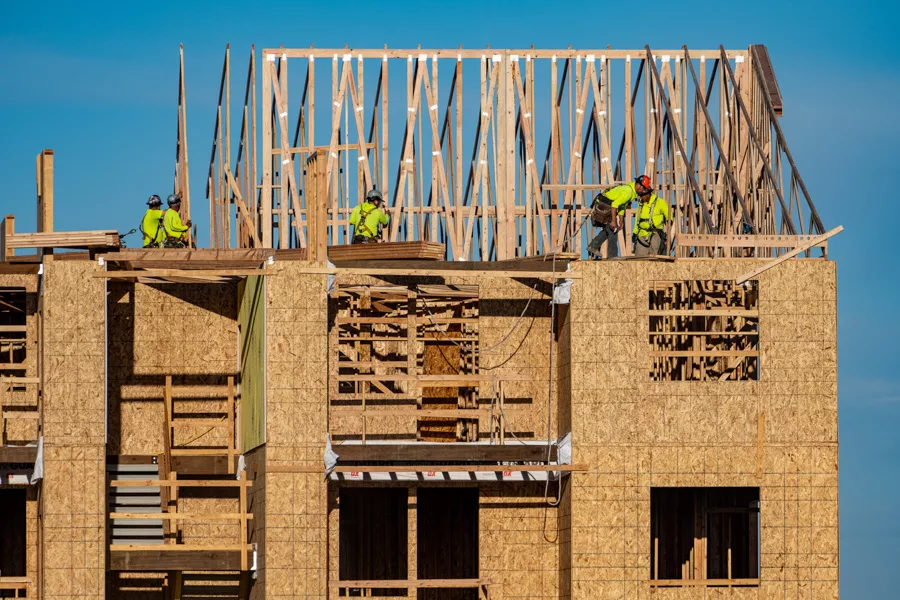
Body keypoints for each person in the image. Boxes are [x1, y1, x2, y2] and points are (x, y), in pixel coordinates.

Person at [587, 175, 653, 259]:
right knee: (612, 230)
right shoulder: (628, 192)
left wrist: (621, 219)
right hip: (606, 206)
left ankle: (593, 246)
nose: (643, 191)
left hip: (606, 205)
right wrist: (614, 221)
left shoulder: (632, 192)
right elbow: (615, 205)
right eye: (643, 188)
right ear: (639, 185)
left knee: (609, 229)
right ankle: (612, 255)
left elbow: (622, 205)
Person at [632, 187, 669, 256]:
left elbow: (669, 218)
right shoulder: (641, 204)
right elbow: (637, 219)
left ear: (648, 194)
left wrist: (668, 235)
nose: (640, 198)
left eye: (641, 196)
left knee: (654, 259)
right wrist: (635, 233)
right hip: (641, 234)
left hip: (655, 234)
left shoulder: (660, 202)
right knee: (639, 259)